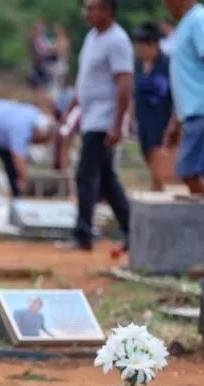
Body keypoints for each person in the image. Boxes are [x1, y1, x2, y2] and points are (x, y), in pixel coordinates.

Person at [62, 0, 133, 252]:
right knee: (105, 179)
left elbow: (124, 83)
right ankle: (132, 229)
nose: (86, 13)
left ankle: (83, 235)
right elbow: (86, 78)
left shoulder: (117, 41)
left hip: (104, 120)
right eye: (85, 8)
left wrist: (116, 124)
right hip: (90, 116)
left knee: (86, 175)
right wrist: (73, 106)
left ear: (108, 10)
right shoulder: (92, 37)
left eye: (92, 8)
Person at [162, 0, 204, 197]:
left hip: (201, 111)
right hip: (192, 114)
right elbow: (185, 79)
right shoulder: (186, 24)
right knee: (191, 171)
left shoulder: (198, 19)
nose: (164, 4)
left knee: (188, 170)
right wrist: (176, 121)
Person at [132, 23, 173, 191]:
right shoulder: (138, 66)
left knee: (159, 152)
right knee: (146, 150)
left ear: (153, 45)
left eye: (141, 47)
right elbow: (134, 92)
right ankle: (156, 183)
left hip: (163, 115)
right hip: (144, 116)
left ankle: (157, 185)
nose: (138, 51)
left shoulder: (167, 65)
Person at [50, 24, 70, 100]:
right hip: (58, 64)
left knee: (58, 83)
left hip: (60, 63)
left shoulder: (63, 41)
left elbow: (61, 52)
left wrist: (54, 49)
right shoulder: (61, 41)